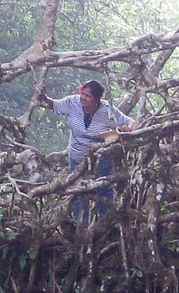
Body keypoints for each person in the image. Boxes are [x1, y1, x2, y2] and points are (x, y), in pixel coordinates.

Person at [37, 80, 133, 222]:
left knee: (104, 190)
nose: (83, 98)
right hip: (76, 157)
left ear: (97, 99)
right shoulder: (73, 102)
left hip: (100, 159)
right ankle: (80, 225)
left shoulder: (107, 110)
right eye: (83, 94)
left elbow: (129, 122)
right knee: (78, 191)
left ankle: (104, 224)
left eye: (88, 96)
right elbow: (54, 104)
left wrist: (127, 129)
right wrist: (41, 96)